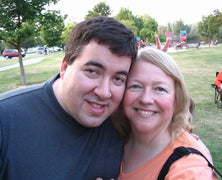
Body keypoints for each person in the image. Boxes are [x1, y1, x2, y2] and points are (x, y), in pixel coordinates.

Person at [0, 16, 138, 180]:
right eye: (92, 71)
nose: (104, 92)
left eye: (118, 79)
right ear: (65, 67)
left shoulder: (123, 121)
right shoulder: (6, 120)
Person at [113, 48, 217, 179]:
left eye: (160, 89)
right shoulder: (114, 133)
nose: (146, 99)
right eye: (135, 86)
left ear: (177, 99)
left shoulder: (189, 168)